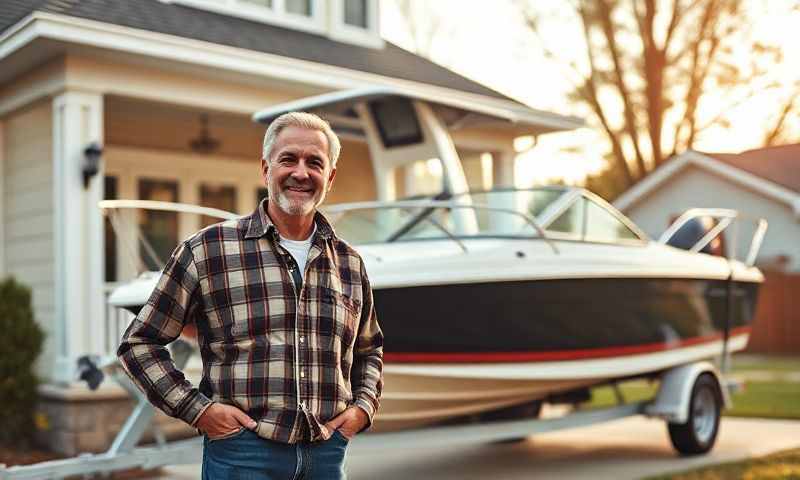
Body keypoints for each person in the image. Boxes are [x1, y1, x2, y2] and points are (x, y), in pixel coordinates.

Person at [117, 112, 384, 479]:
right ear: (265, 168)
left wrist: (363, 409)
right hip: (242, 455)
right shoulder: (207, 251)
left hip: (326, 456)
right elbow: (139, 343)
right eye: (288, 159)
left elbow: (369, 349)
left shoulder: (350, 263)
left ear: (330, 177)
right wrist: (199, 411)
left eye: (315, 163)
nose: (301, 173)